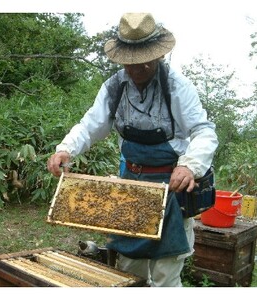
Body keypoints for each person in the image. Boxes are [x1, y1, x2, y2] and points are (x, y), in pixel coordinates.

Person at [47, 13, 218, 287]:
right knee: (128, 269)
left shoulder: (176, 87)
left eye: (145, 60)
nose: (138, 67)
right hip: (130, 185)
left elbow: (204, 131)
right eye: (132, 61)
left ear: (158, 55)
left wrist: (189, 165)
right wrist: (66, 149)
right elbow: (91, 124)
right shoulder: (114, 87)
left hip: (169, 188)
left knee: (166, 271)